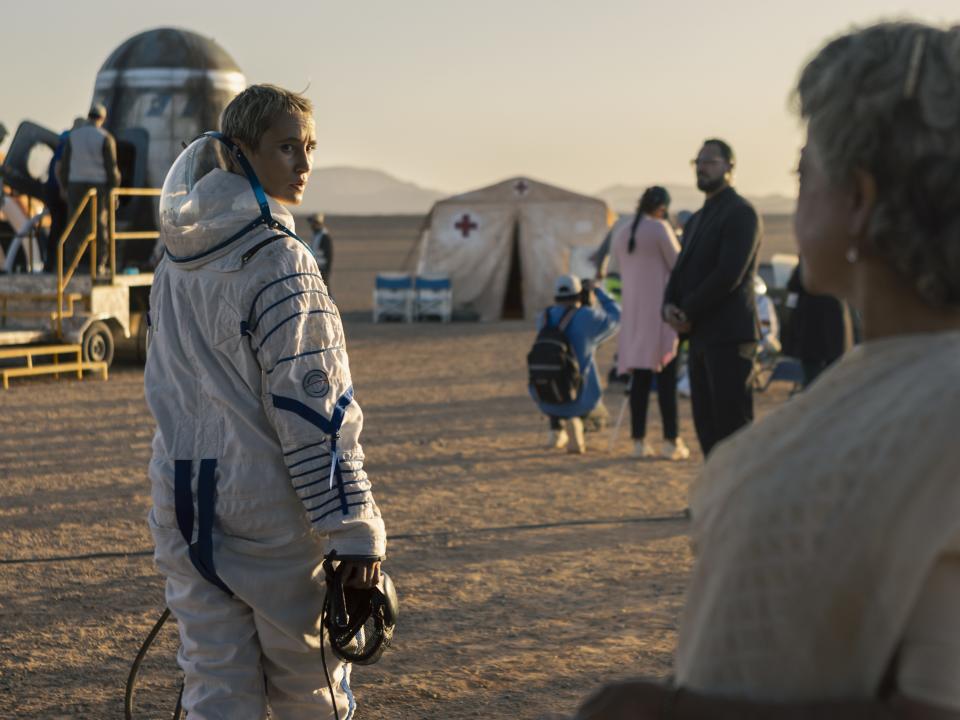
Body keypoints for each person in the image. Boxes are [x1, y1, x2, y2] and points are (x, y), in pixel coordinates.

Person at [575, 21, 960, 720]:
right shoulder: (897, 388)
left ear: (860, 199)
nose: (796, 189)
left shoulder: (939, 409)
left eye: (805, 171)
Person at [145, 84, 386, 719]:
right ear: (240, 151)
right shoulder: (282, 263)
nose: (303, 164)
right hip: (269, 513)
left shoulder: (173, 261)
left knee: (217, 688)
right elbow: (315, 413)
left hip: (183, 505)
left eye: (309, 148)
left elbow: (165, 387)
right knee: (310, 690)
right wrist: (354, 531)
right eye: (286, 147)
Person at [662, 138, 761, 457]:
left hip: (731, 336)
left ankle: (741, 504)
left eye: (710, 162)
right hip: (701, 335)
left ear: (730, 168)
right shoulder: (697, 219)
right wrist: (669, 306)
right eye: (698, 162)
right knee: (706, 426)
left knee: (732, 425)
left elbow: (729, 274)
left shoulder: (741, 213)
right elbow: (679, 271)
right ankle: (715, 502)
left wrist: (687, 310)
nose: (702, 168)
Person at [611, 186, 689, 460]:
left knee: (640, 382)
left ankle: (638, 441)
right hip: (659, 316)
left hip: (633, 317)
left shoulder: (622, 232)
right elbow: (679, 265)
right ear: (662, 207)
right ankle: (671, 440)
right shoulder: (658, 229)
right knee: (666, 380)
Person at [531, 274, 620, 454]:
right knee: (596, 408)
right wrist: (597, 291)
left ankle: (556, 430)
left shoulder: (544, 317)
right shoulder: (587, 316)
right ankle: (577, 423)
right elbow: (617, 317)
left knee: (555, 374)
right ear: (579, 294)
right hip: (582, 397)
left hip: (545, 397)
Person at [57, 103, 120, 277]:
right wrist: (114, 192)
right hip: (98, 186)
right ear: (102, 118)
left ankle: (70, 264)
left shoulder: (73, 136)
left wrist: (64, 187)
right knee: (100, 224)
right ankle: (100, 264)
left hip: (75, 184)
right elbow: (112, 168)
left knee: (74, 223)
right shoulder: (105, 137)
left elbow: (65, 164)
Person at [784, 263, 853, 386]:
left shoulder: (810, 260)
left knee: (812, 376)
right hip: (834, 326)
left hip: (811, 327)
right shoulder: (840, 259)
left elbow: (793, 285)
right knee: (833, 374)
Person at [42, 126, 72, 273]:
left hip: (52, 192)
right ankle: (58, 264)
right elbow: (58, 168)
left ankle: (51, 263)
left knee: (56, 228)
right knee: (61, 228)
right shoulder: (64, 149)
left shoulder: (59, 149)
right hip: (58, 193)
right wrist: (63, 189)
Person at [308, 212, 334, 287]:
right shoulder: (315, 235)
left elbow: (329, 255)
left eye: (312, 222)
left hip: (322, 269)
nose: (311, 225)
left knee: (325, 291)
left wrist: (327, 271)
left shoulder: (324, 236)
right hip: (315, 268)